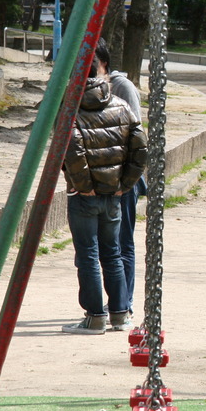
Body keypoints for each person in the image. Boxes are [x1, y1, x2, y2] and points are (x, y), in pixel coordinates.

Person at [61, 52, 147, 335]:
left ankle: (95, 316)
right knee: (112, 252)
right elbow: (140, 148)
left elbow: (72, 151)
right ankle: (120, 314)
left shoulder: (71, 109)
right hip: (113, 195)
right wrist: (125, 183)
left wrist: (83, 187)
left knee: (87, 254)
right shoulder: (120, 104)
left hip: (85, 197)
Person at [92, 38, 146, 316]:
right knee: (103, 245)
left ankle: (125, 301)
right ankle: (115, 301)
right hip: (97, 177)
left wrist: (126, 182)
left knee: (122, 240)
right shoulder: (86, 88)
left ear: (103, 62)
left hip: (122, 178)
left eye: (91, 63)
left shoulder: (122, 87)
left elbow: (135, 138)